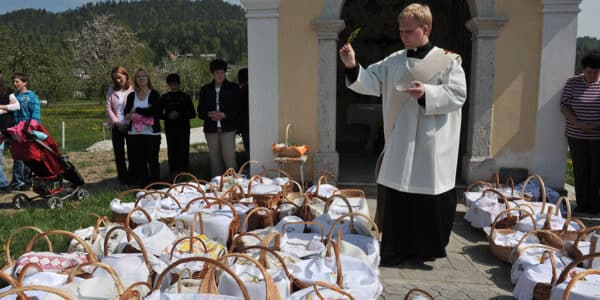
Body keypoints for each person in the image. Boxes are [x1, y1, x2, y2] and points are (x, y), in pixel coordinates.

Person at [338, 3, 467, 265]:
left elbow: (458, 95)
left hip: (433, 144)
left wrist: (427, 94)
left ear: (425, 28)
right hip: (400, 140)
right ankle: (394, 250)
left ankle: (424, 251)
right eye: (401, 31)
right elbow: (371, 82)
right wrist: (352, 66)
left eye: (408, 31)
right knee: (397, 194)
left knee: (427, 198)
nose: (403, 36)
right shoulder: (393, 61)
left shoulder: (448, 61)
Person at [560, 50, 600, 215]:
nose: (592, 75)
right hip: (576, 135)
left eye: (596, 72)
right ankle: (582, 204)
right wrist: (578, 123)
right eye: (589, 72)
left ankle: (595, 205)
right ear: (583, 69)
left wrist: (596, 125)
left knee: (597, 171)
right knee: (580, 170)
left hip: (598, 136)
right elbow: (564, 106)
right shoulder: (573, 83)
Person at [197, 59, 240, 177]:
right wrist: (208, 114)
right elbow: (200, 111)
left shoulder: (233, 88)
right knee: (215, 159)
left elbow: (238, 110)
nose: (219, 75)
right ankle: (217, 186)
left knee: (229, 157)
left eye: (222, 72)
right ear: (212, 74)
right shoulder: (205, 89)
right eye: (217, 73)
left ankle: (234, 184)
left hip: (228, 128)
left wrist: (224, 115)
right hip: (211, 129)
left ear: (225, 73)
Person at [124, 68, 161, 187]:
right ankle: (144, 185)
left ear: (148, 78)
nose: (141, 78)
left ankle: (156, 185)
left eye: (143, 76)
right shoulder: (131, 96)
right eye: (138, 76)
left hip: (151, 134)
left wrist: (136, 110)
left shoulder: (154, 94)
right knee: (139, 161)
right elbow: (126, 114)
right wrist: (135, 113)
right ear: (135, 79)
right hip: (134, 134)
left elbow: (154, 112)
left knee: (153, 160)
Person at [6, 73, 41, 191]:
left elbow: (35, 115)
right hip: (15, 130)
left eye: (17, 81)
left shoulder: (31, 97)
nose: (15, 84)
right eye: (14, 82)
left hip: (27, 131)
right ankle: (17, 181)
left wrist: (31, 129)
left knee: (27, 157)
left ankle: (27, 181)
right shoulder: (13, 97)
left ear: (24, 82)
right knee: (17, 157)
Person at [160, 73, 196, 178]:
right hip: (170, 128)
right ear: (168, 85)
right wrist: (168, 116)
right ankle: (173, 174)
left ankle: (185, 173)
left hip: (183, 128)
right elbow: (158, 113)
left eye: (175, 84)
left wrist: (179, 114)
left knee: (184, 150)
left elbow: (193, 114)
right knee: (172, 151)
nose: (173, 86)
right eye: (171, 84)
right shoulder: (164, 98)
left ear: (179, 84)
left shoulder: (185, 97)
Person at [105, 66, 134, 186]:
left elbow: (135, 107)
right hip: (116, 126)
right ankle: (123, 178)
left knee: (133, 152)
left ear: (126, 76)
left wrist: (127, 123)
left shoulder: (133, 90)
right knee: (119, 154)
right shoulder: (111, 90)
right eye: (115, 78)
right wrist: (116, 122)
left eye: (119, 77)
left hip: (130, 125)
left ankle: (133, 176)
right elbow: (108, 108)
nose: (117, 80)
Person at [0, 72, 18, 193]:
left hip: (9, 127)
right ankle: (4, 184)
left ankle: (20, 181)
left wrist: (1, 107)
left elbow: (16, 106)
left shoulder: (7, 90)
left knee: (19, 155)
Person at [237, 68, 250, 164]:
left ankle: (249, 164)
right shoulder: (252, 89)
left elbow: (239, 110)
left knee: (248, 147)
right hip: (252, 123)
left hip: (245, 125)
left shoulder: (240, 91)